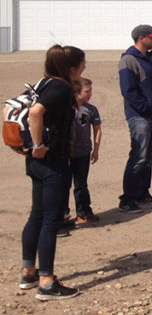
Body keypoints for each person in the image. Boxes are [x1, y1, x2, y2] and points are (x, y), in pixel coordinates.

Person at [20, 45, 86, 301]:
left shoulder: (43, 83)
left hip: (37, 162)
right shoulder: (60, 88)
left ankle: (28, 271)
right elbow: (35, 112)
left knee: (36, 215)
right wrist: (37, 144)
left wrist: (25, 146)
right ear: (71, 67)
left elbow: (11, 108)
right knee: (50, 220)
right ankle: (46, 281)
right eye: (82, 63)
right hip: (51, 160)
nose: (84, 68)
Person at [118, 24, 152, 213]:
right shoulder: (129, 60)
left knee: (148, 156)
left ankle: (142, 193)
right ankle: (128, 198)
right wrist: (145, 108)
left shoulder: (149, 58)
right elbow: (128, 91)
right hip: (140, 116)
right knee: (138, 156)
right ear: (141, 38)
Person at [66, 77, 101, 223]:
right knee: (64, 184)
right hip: (67, 154)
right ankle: (63, 214)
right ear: (76, 92)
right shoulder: (67, 109)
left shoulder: (91, 109)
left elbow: (97, 128)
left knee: (81, 184)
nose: (90, 94)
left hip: (83, 152)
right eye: (87, 91)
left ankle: (84, 211)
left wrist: (96, 149)